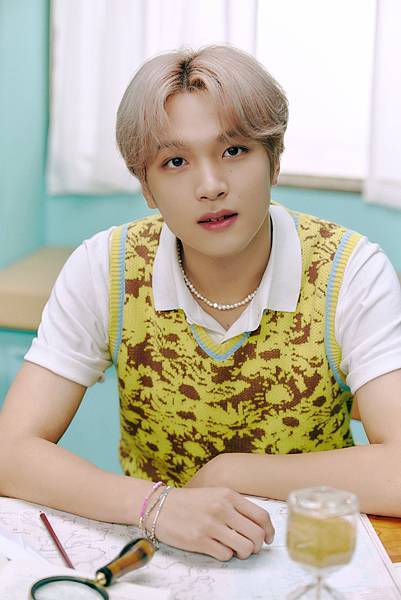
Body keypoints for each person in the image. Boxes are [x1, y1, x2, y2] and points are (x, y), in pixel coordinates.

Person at [1, 44, 401, 562]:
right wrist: (157, 505)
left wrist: (231, 472)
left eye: (234, 151)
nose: (210, 186)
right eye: (175, 162)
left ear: (274, 160)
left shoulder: (350, 271)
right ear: (146, 186)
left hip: (308, 554)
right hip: (162, 557)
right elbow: (10, 451)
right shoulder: (107, 267)